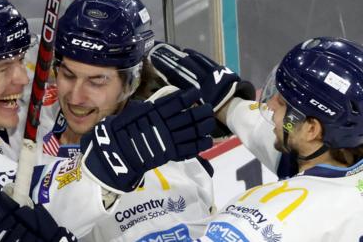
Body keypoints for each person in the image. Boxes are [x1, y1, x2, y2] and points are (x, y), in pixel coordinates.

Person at [0, 0, 215, 241]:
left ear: (132, 81)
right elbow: (7, 206)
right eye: (3, 68)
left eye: (97, 80)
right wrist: (114, 162)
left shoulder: (0, 106)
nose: (24, 78)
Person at [13, 0, 234, 242]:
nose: (75, 97)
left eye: (96, 81)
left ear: (131, 81)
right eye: (68, 75)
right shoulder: (28, 122)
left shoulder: (171, 141)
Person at [149, 37, 363, 241]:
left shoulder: (281, 216)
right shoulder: (339, 154)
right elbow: (263, 128)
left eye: (282, 102)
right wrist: (223, 99)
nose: (270, 105)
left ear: (312, 129)